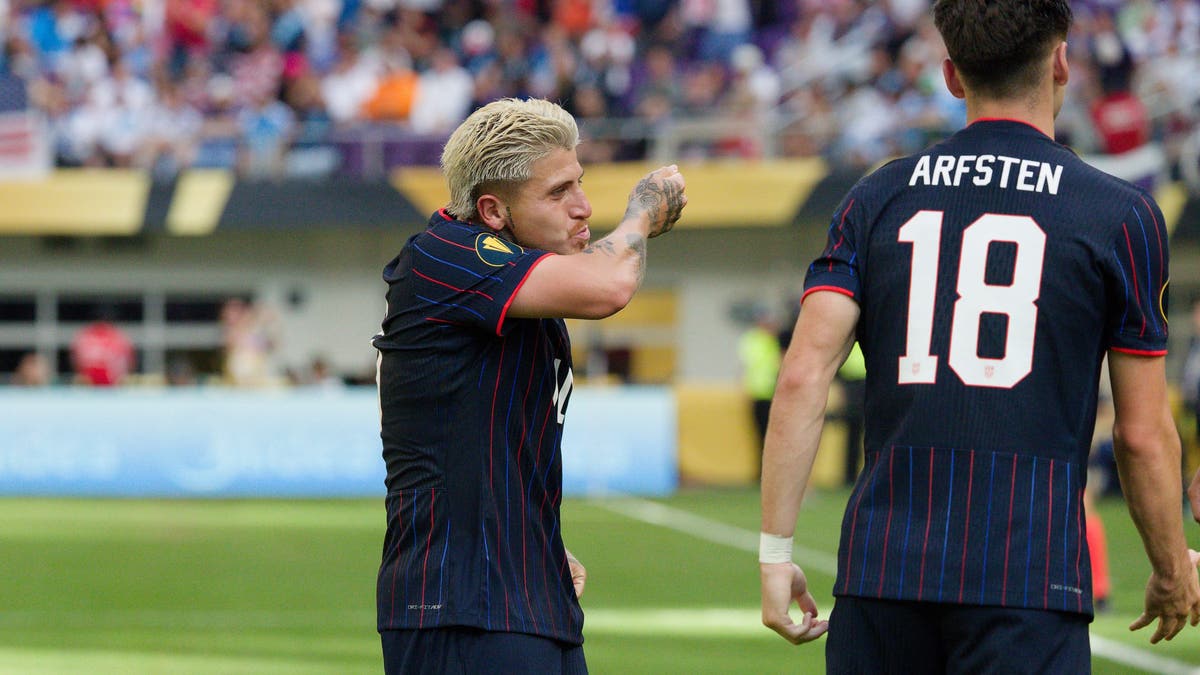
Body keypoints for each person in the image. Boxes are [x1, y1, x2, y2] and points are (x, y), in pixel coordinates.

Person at [759, 2, 1200, 672]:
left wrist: (774, 553)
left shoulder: (875, 197)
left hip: (882, 574)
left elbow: (802, 374)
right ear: (1061, 64)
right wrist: (1170, 569)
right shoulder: (1120, 214)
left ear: (951, 75)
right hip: (1028, 578)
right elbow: (1141, 433)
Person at [372, 97, 686, 675]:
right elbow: (609, 286)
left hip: (530, 596)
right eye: (558, 191)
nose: (583, 206)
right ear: (492, 210)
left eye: (580, 183)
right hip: (460, 606)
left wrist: (534, 538)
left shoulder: (520, 295)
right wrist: (642, 214)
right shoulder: (446, 254)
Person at [738, 305, 781, 472]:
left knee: (773, 435)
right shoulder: (755, 340)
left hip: (773, 393)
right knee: (760, 434)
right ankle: (762, 470)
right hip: (759, 393)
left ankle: (769, 469)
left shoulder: (772, 340)